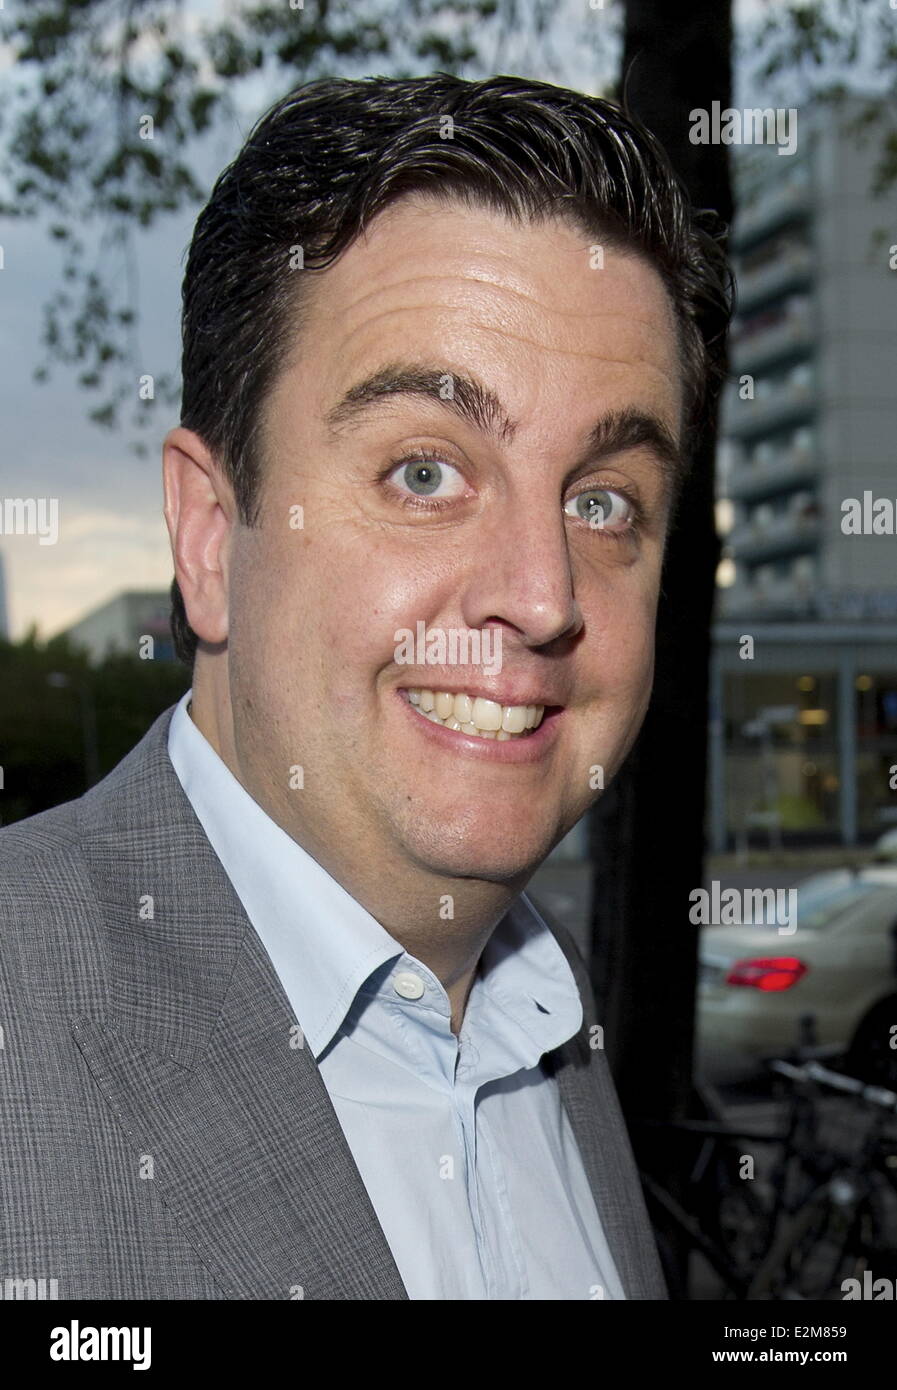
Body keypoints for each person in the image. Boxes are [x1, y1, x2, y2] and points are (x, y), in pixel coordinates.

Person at [0, 73, 731, 1300]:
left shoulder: (547, 1010)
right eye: (425, 474)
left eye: (603, 501)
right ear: (210, 538)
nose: (542, 594)